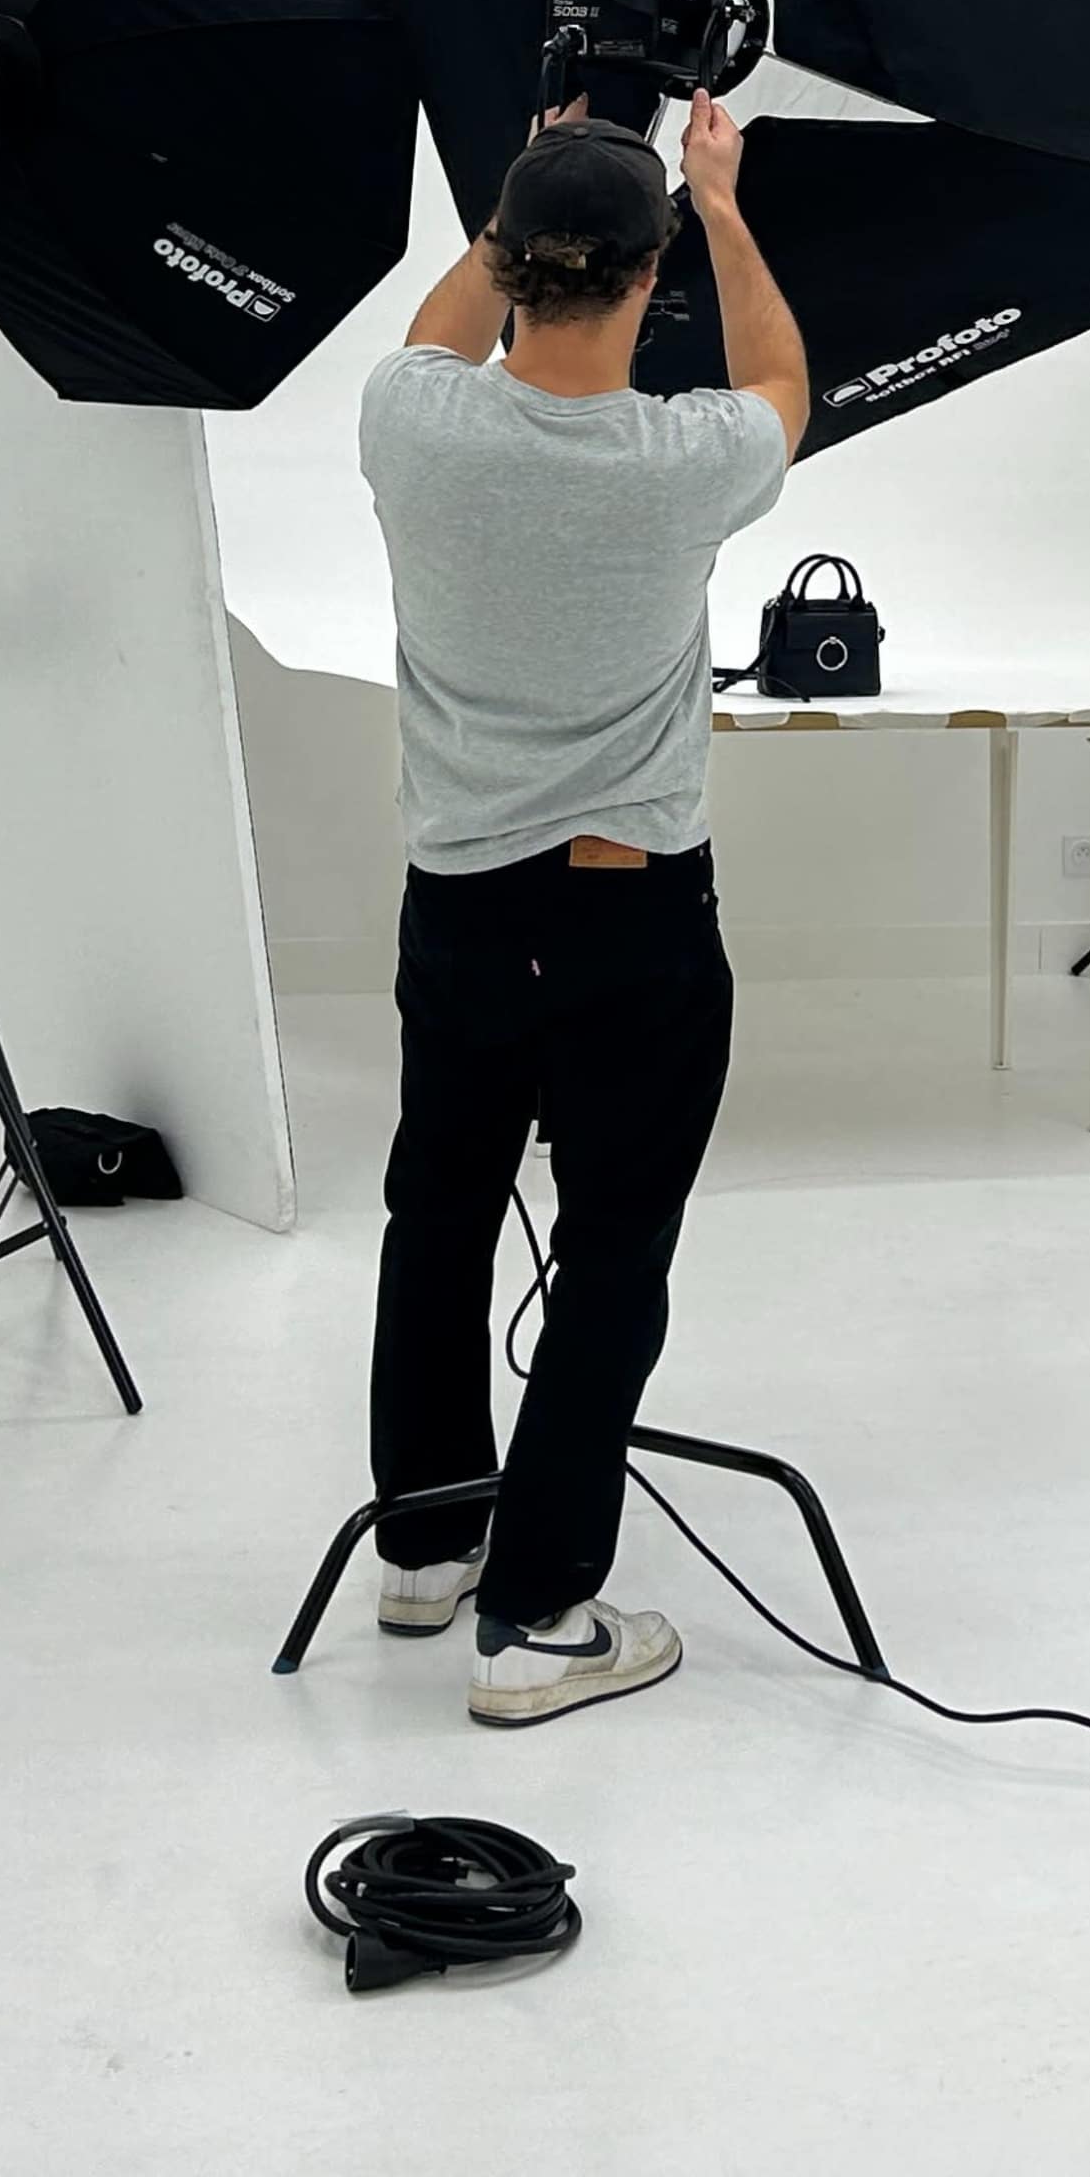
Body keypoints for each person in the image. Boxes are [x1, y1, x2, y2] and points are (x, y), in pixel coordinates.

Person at [353, 91, 806, 1722]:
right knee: (614, 1250)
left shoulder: (408, 419)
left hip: (459, 910)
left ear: (510, 258)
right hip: (629, 921)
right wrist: (722, 201)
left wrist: (527, 178)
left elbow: (443, 325)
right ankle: (541, 1617)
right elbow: (783, 384)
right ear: (649, 278)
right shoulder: (685, 461)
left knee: (440, 1211)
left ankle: (428, 1544)